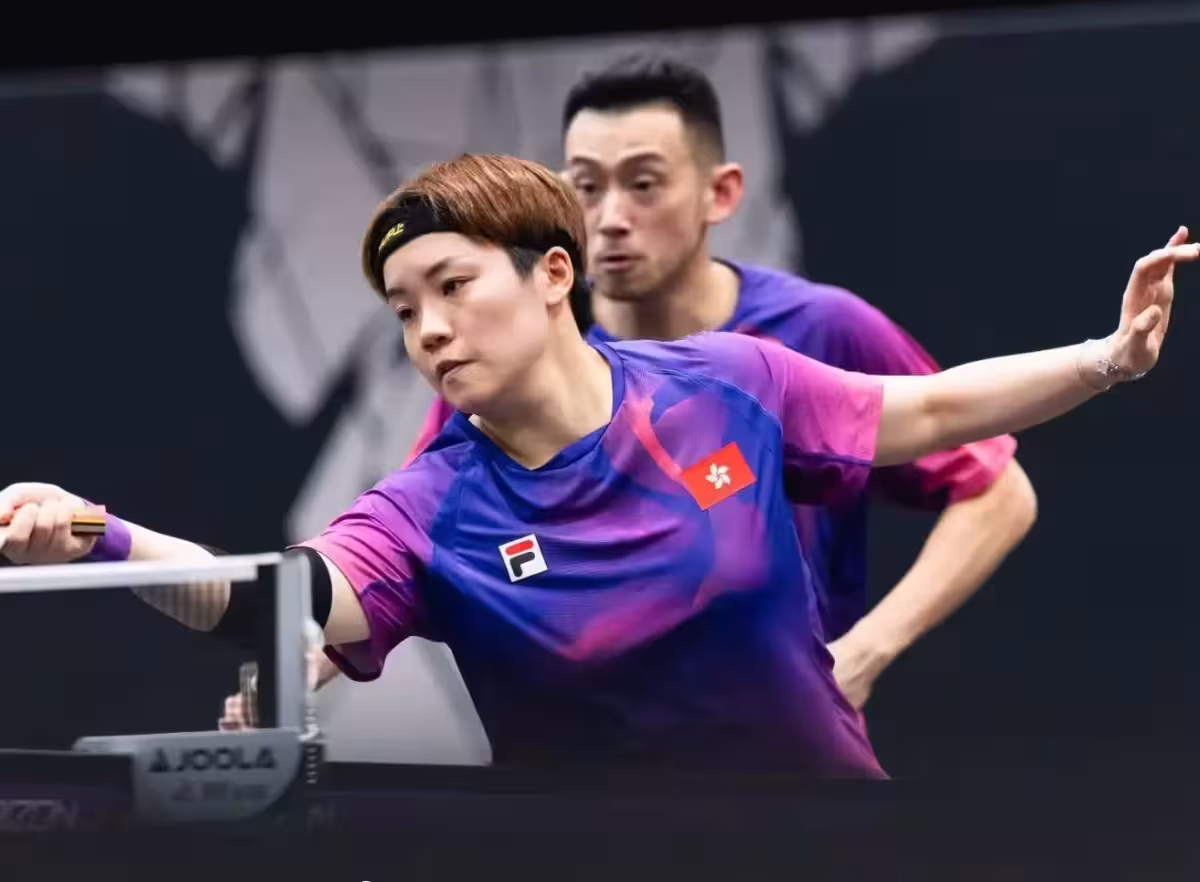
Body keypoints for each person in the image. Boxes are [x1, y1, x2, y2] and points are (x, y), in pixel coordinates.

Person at [0, 152, 1192, 775]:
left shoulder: (730, 382)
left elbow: (928, 410)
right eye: (403, 311)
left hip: (826, 838)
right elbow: (277, 599)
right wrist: (100, 537)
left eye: (452, 286)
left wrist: (1109, 358)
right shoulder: (426, 508)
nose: (427, 331)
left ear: (553, 276)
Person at [254, 54, 1039, 719]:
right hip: (592, 764)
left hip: (779, 751)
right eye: (586, 187)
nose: (610, 218)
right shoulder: (508, 377)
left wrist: (868, 648)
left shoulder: (814, 333)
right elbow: (405, 552)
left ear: (720, 193)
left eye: (644, 184)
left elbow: (998, 490)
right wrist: (313, 654)